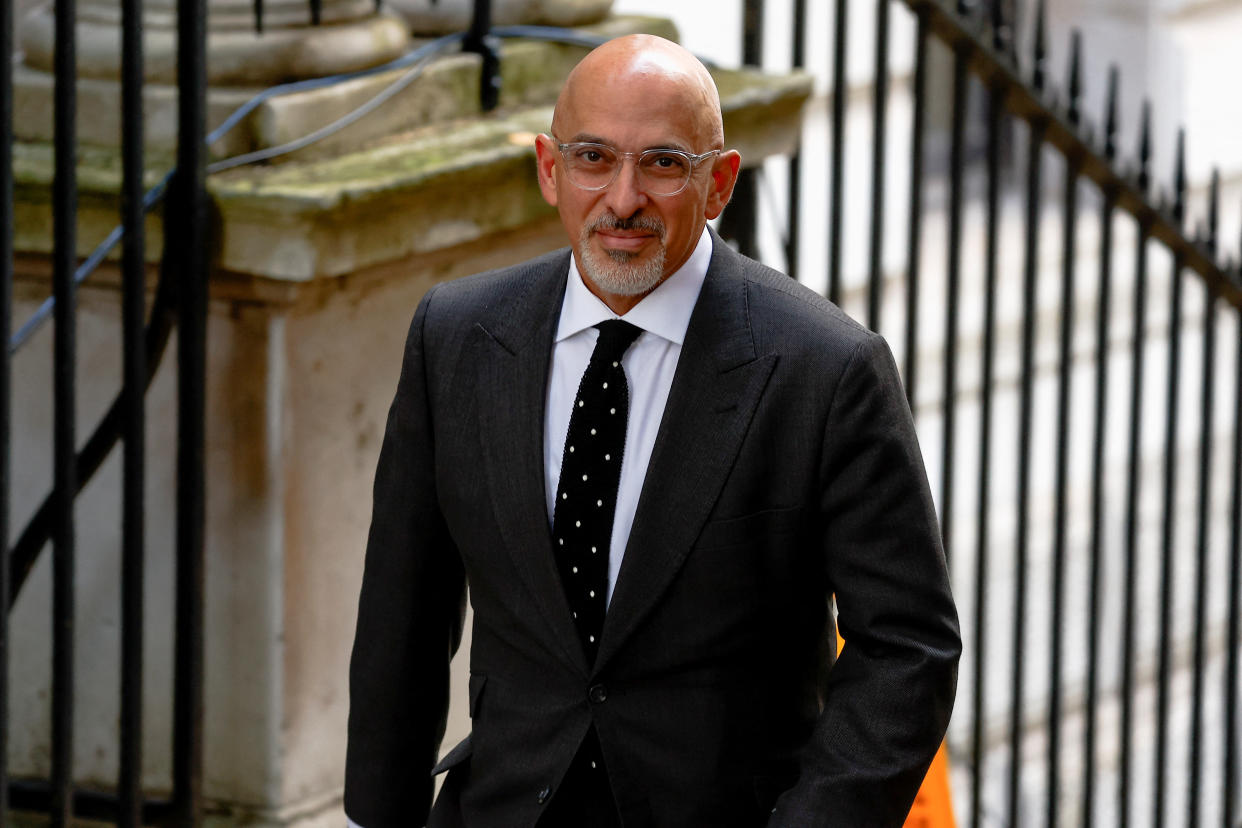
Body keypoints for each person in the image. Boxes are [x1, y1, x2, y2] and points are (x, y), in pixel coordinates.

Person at [344, 33, 959, 828]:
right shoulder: (455, 335)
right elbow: (405, 610)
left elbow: (908, 647)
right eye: (594, 157)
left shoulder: (827, 369)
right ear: (548, 169)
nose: (623, 198)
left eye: (663, 164)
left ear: (719, 183)